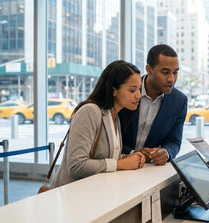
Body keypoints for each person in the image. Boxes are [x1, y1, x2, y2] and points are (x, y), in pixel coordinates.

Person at [51, 60, 146, 188]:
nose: (139, 96)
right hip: (73, 195)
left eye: (139, 89)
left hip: (95, 192)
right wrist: (120, 164)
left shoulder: (114, 116)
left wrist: (129, 158)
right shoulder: (90, 111)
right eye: (132, 90)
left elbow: (105, 157)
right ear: (114, 90)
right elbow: (76, 165)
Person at [119, 44, 188, 165]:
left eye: (175, 72)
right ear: (149, 69)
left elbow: (174, 142)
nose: (171, 79)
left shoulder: (179, 101)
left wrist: (165, 153)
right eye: (165, 72)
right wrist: (131, 153)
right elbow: (108, 136)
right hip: (119, 163)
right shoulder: (126, 90)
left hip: (149, 169)